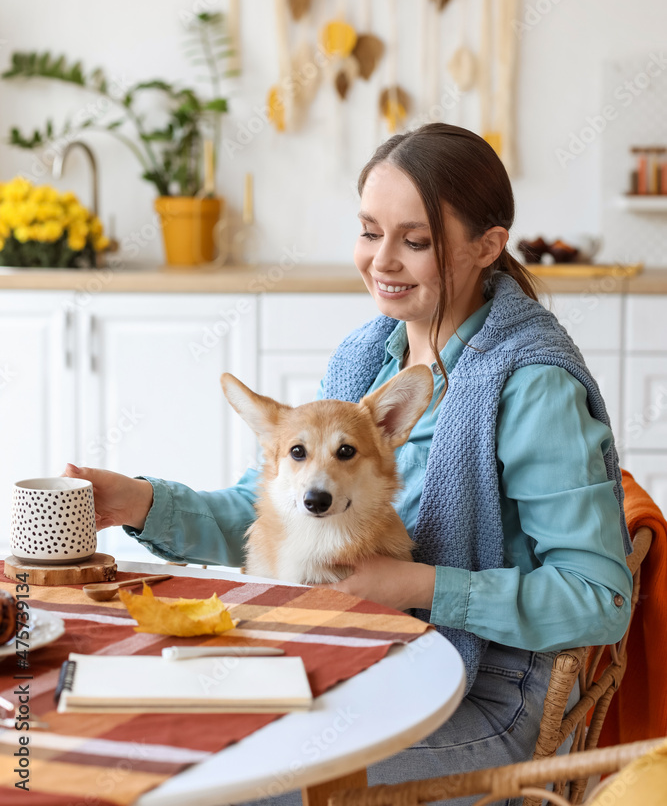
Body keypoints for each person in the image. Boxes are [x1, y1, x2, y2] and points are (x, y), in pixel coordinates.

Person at [65, 124, 633, 806]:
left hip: (487, 694)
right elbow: (272, 518)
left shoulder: (531, 386)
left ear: (487, 246)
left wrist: (414, 585)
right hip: (365, 665)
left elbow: (599, 600)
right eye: (369, 232)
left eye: (414, 241)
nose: (381, 261)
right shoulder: (367, 357)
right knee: (136, 741)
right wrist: (139, 502)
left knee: (221, 784)